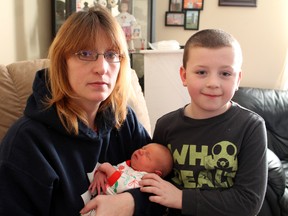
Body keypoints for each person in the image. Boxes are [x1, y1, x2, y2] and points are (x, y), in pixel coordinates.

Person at [0, 5, 157, 216]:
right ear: (62, 63)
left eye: (111, 54)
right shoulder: (27, 142)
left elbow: (164, 185)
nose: (102, 67)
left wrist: (130, 202)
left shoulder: (125, 120)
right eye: (85, 53)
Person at [139, 29, 268, 216]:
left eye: (225, 73)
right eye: (201, 72)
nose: (213, 83)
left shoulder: (251, 127)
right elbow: (150, 182)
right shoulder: (165, 126)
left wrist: (181, 198)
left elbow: (248, 203)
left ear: (238, 78)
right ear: (184, 76)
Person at [88, 143, 173, 196]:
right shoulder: (127, 165)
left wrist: (108, 169)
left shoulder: (144, 179)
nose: (140, 151)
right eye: (143, 148)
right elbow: (113, 170)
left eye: (147, 155)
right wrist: (100, 173)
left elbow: (123, 186)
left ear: (156, 173)